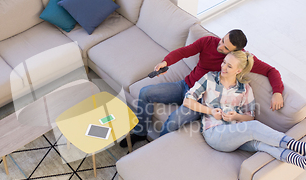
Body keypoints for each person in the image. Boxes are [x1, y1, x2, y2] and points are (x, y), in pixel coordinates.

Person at [120, 29, 284, 147]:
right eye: (222, 41)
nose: (220, 47)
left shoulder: (238, 61)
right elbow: (185, 51)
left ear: (236, 51)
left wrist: (277, 92)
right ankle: (140, 133)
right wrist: (166, 62)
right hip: (185, 85)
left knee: (172, 122)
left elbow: (271, 70)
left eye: (226, 48)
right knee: (145, 92)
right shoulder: (209, 42)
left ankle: (154, 150)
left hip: (201, 101)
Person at [182, 50, 306, 172]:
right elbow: (187, 100)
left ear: (238, 70)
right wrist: (211, 111)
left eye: (229, 66)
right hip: (214, 134)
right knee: (254, 128)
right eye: (224, 62)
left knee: (261, 144)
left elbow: (249, 118)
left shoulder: (245, 89)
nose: (223, 67)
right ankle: (303, 147)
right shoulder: (209, 78)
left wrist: (236, 116)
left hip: (235, 135)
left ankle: (302, 161)